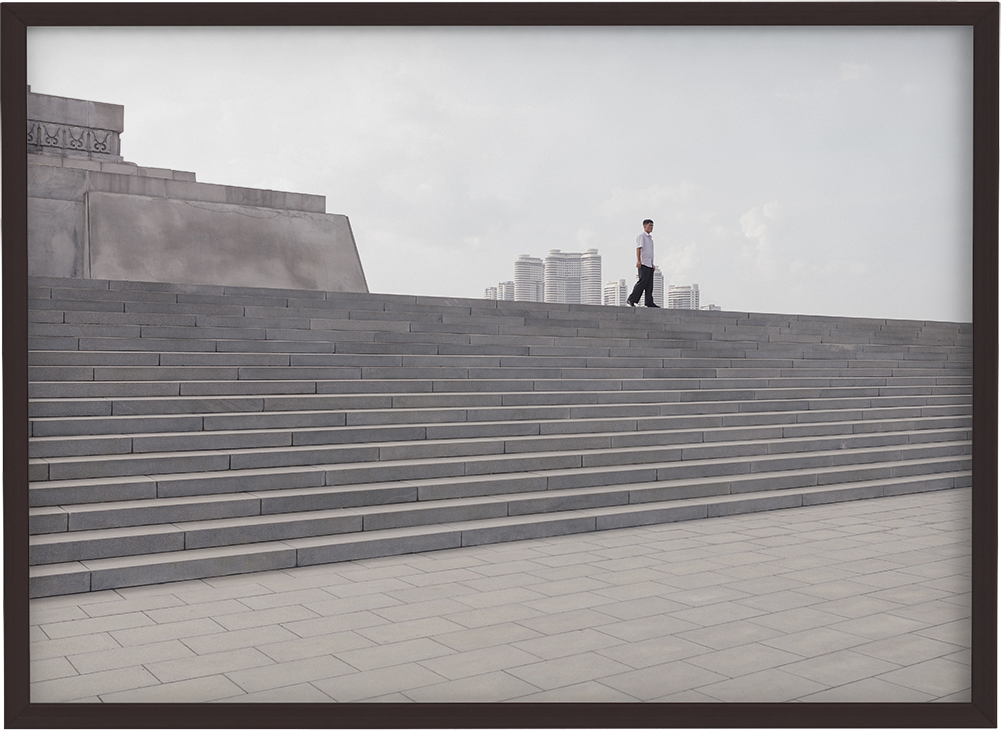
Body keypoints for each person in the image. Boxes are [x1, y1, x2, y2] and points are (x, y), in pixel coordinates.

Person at [627, 219, 660, 308]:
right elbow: (638, 249)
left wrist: (652, 264)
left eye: (652, 226)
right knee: (642, 282)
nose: (651, 227)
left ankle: (649, 302)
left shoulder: (650, 239)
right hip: (643, 263)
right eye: (650, 225)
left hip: (649, 264)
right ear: (644, 226)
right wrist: (638, 261)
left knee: (649, 284)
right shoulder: (641, 237)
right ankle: (632, 298)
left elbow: (650, 253)